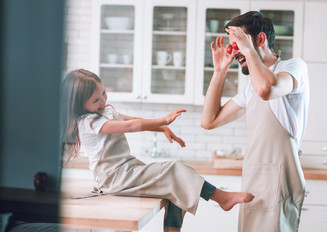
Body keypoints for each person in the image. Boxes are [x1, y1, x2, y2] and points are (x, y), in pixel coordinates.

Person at [61, 69, 254, 232]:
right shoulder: (89, 123)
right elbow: (129, 127)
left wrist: (161, 128)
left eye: (103, 93)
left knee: (175, 186)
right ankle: (223, 198)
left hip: (126, 169)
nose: (103, 100)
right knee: (176, 171)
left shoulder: (104, 112)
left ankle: (172, 229)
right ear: (80, 105)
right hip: (114, 177)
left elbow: (130, 120)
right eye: (96, 100)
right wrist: (163, 120)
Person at [201, 11, 309, 232]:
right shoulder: (250, 86)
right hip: (253, 178)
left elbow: (267, 89)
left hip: (280, 179)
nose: (234, 51)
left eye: (238, 42)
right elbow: (208, 121)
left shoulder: (292, 68)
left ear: (260, 40)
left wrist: (247, 49)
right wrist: (219, 71)